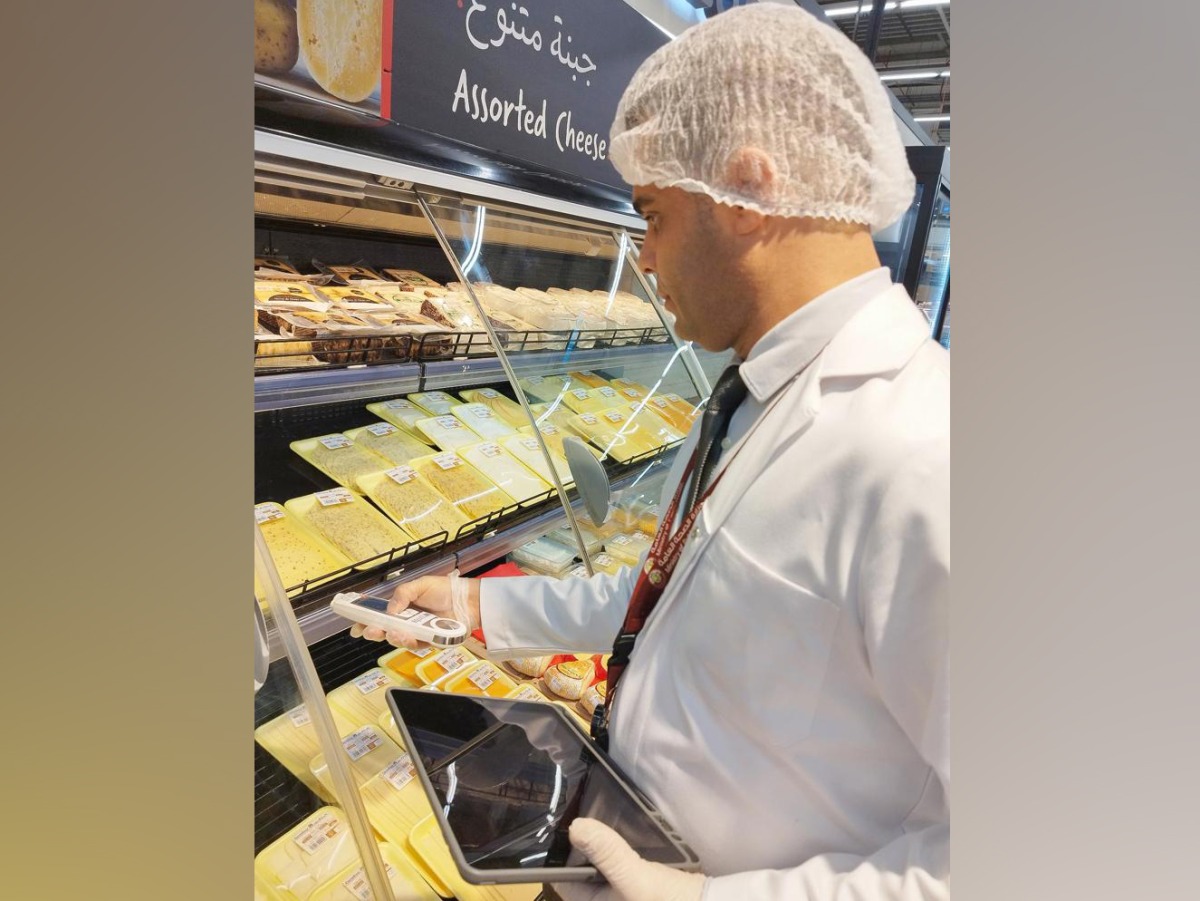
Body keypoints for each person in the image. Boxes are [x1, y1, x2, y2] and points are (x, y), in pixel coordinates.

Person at [352, 5, 949, 899]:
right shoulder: (752, 391)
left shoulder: (928, 453)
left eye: (654, 214)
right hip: (618, 838)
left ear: (747, 193)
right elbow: (673, 603)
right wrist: (479, 608)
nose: (644, 255)